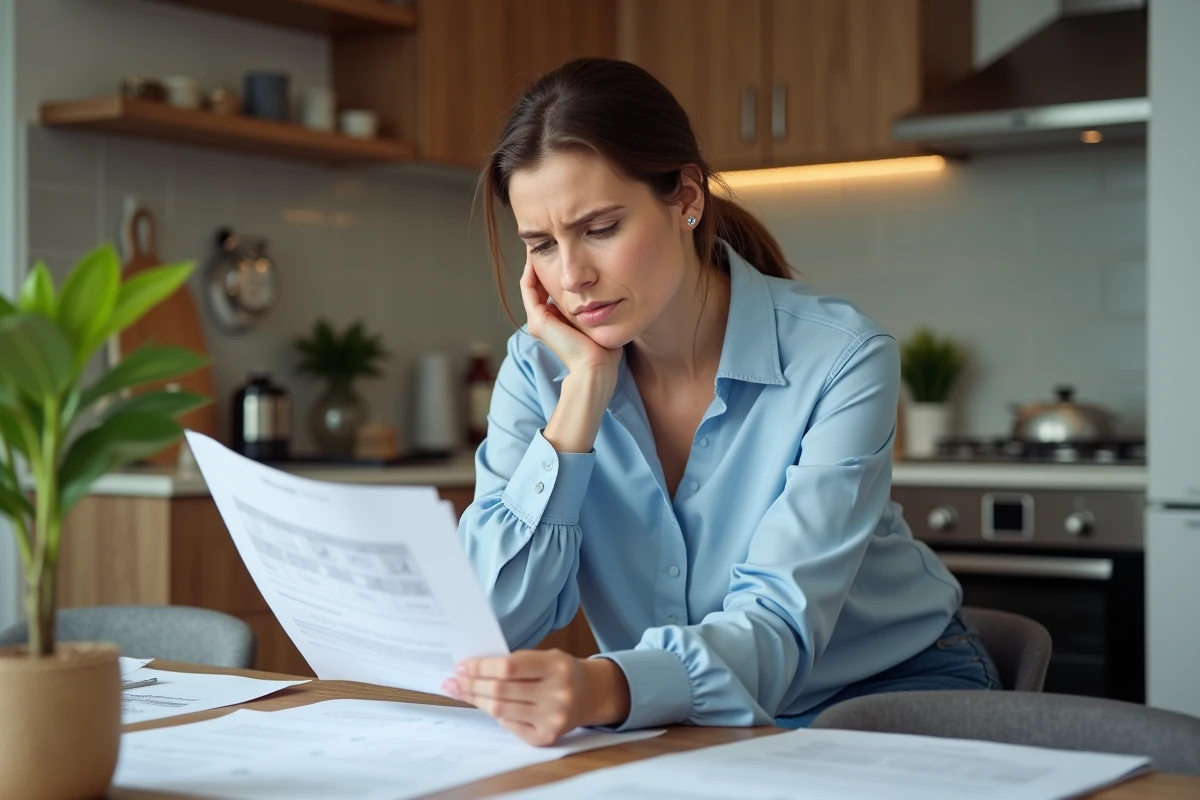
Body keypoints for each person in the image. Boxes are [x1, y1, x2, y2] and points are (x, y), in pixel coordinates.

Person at [442, 57, 1000, 746]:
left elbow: (778, 624)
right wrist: (581, 396)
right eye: (542, 247)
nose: (573, 277)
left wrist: (606, 686)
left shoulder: (842, 358)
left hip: (892, 694)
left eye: (602, 228)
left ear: (685, 198)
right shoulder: (540, 372)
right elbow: (491, 621)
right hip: (682, 713)